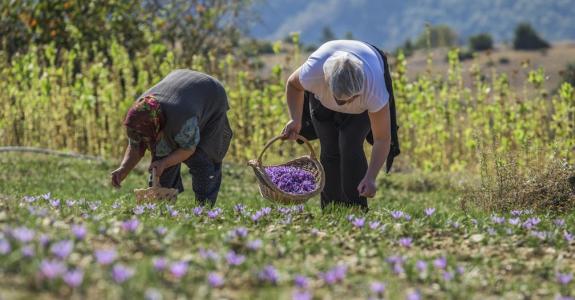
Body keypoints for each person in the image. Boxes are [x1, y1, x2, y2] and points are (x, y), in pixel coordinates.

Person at [281, 40, 398, 211]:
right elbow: (293, 84)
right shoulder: (314, 73)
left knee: (350, 146)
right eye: (339, 99)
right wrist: (296, 119)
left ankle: (356, 210)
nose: (343, 104)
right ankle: (330, 210)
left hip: (361, 108)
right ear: (326, 81)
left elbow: (382, 138)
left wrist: (371, 177)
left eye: (350, 99)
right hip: (322, 101)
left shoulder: (374, 91)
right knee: (329, 150)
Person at [111, 69, 233, 207]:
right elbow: (135, 146)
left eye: (146, 137)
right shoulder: (140, 114)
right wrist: (123, 169)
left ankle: (204, 209)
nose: (144, 140)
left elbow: (188, 149)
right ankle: (162, 207)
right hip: (179, 96)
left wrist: (165, 162)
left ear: (157, 127)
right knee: (161, 158)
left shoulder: (183, 120)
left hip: (211, 94)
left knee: (203, 159)